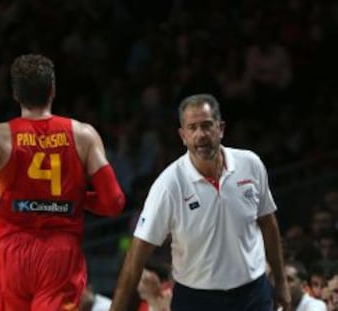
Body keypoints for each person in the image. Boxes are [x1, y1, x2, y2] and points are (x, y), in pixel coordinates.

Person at [0, 54, 125, 311]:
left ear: (16, 95)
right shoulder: (83, 134)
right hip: (60, 253)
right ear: (53, 91)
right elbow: (114, 202)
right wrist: (74, 199)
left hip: (13, 251)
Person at [109, 94, 291, 311]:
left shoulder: (250, 164)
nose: (200, 135)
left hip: (252, 292)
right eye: (192, 128)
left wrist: (281, 282)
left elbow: (268, 224)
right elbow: (136, 255)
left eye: (206, 126)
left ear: (221, 128)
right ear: (183, 136)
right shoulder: (168, 185)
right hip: (197, 299)